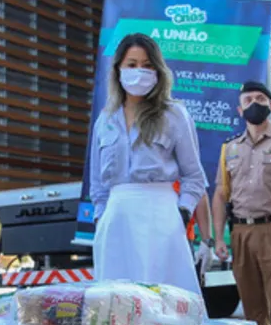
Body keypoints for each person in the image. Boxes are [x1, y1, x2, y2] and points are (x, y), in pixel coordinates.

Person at [89, 33, 207, 296]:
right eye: (131, 65)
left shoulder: (174, 114)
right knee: (116, 299)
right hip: (116, 219)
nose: (138, 72)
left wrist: (182, 213)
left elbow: (194, 176)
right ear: (118, 69)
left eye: (147, 65)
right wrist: (102, 217)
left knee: (164, 297)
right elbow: (97, 183)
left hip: (160, 216)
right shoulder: (105, 119)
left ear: (158, 70)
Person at [212, 81, 271, 325]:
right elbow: (220, 194)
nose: (255, 104)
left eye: (260, 99)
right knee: (252, 306)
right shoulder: (230, 148)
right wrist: (220, 238)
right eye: (248, 100)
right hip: (241, 231)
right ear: (239, 110)